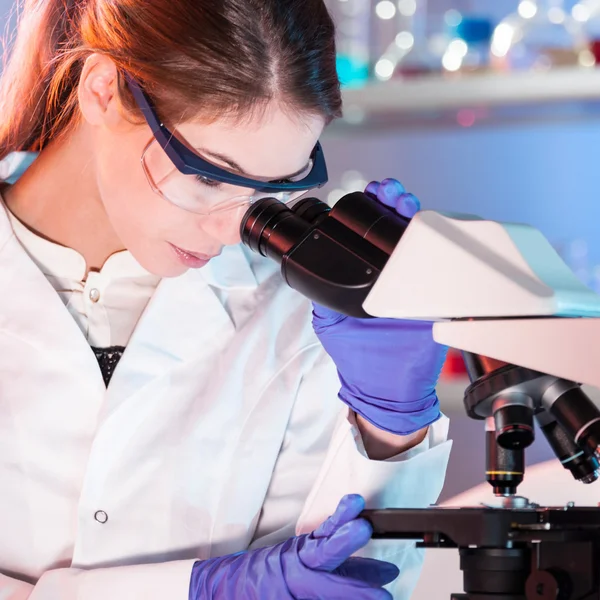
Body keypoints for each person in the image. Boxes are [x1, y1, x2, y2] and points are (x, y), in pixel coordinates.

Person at [0, 0, 451, 598]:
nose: (227, 228)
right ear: (104, 90)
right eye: (209, 176)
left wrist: (389, 427)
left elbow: (358, 580)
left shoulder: (304, 319)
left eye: (267, 192)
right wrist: (191, 590)